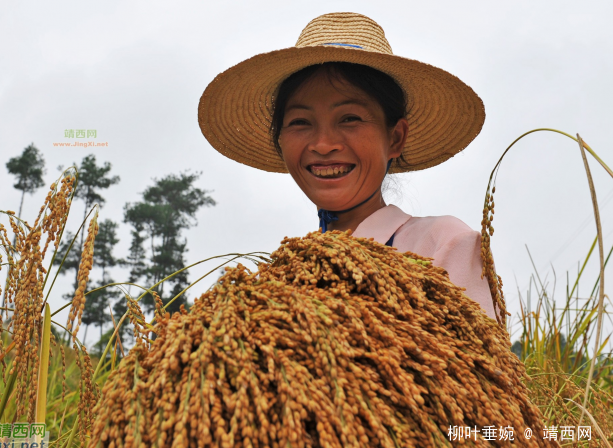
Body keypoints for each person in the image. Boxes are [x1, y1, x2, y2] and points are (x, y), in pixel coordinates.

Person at [199, 12, 499, 320]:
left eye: (350, 118)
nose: (323, 143)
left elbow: (482, 366)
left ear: (395, 137)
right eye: (300, 122)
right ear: (280, 140)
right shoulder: (278, 283)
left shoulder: (443, 244)